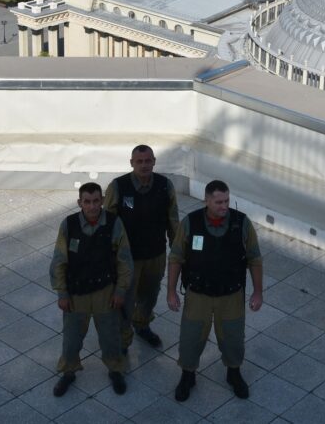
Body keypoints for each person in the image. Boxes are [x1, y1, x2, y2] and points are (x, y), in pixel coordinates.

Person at [167, 179, 262, 402]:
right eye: (218, 202)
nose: (224, 206)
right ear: (206, 200)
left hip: (231, 295)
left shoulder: (242, 224)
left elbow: (254, 259)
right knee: (191, 337)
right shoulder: (191, 223)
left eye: (226, 200)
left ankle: (234, 373)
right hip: (198, 294)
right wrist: (171, 291)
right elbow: (176, 257)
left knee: (233, 338)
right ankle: (188, 375)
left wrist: (258, 292)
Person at [49, 182, 132, 397]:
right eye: (87, 202)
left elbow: (124, 260)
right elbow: (59, 261)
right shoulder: (68, 225)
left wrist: (120, 291)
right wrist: (62, 293)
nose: (93, 206)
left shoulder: (114, 223)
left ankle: (115, 370)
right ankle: (68, 371)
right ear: (80, 203)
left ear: (102, 201)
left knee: (110, 335)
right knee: (72, 338)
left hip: (105, 291)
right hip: (76, 294)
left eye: (96, 201)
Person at [104, 145, 179, 351]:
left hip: (156, 255)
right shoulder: (118, 187)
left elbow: (173, 220)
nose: (144, 165)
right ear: (131, 163)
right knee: (126, 300)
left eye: (148, 161)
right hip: (128, 258)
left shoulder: (165, 186)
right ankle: (123, 339)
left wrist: (178, 251)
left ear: (154, 161)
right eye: (139, 161)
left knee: (150, 295)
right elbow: (107, 223)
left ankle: (142, 325)